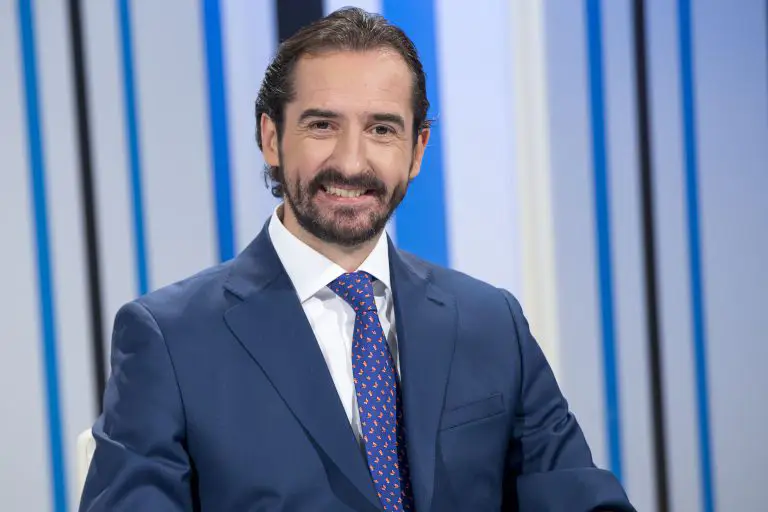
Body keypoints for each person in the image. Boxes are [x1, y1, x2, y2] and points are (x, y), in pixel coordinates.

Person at [79, 7, 635, 512]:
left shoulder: (491, 322)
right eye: (322, 125)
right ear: (271, 138)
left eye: (381, 129)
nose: (350, 161)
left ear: (417, 150)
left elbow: (578, 497)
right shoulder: (170, 340)